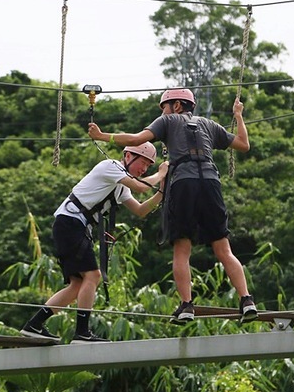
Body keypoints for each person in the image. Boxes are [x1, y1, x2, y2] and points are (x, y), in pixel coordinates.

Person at [87, 88, 258, 324]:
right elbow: (243, 144)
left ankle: (187, 305)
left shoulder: (167, 120)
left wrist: (103, 136)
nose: (163, 111)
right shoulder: (209, 124)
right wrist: (238, 115)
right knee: (223, 249)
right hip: (210, 181)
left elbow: (137, 139)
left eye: (164, 106)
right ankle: (247, 300)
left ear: (176, 105)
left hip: (183, 182)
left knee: (181, 249)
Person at [21, 143, 168, 343]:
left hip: (74, 226)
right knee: (93, 276)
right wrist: (161, 173)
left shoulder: (121, 186)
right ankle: (81, 333)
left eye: (148, 166)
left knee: (78, 284)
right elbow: (141, 187)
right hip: (71, 223)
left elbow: (141, 210)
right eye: (142, 162)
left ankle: (34, 325)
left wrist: (161, 190)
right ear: (127, 156)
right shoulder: (110, 166)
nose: (144, 169)